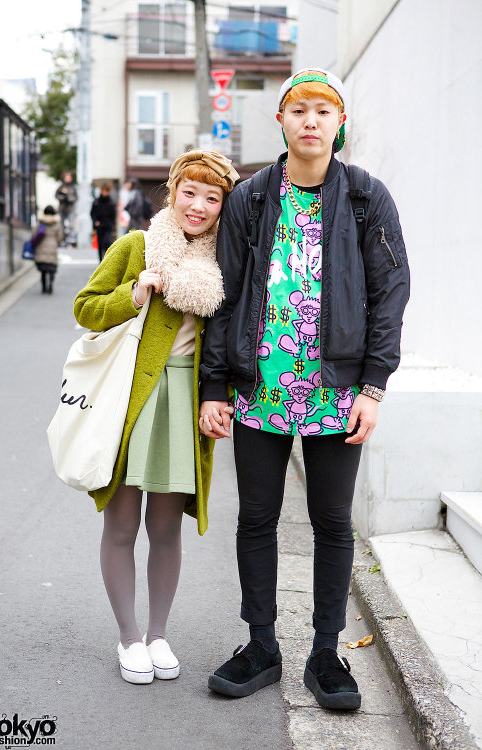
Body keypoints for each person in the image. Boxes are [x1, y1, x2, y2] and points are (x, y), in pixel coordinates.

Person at [199, 68, 410, 709]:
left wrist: (373, 385)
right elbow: (223, 291)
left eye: (324, 109)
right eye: (300, 109)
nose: (312, 120)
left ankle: (326, 654)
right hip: (258, 385)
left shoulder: (368, 198)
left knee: (332, 521)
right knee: (257, 518)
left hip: (336, 388)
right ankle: (261, 645)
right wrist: (214, 383)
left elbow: (390, 294)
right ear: (282, 121)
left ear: (339, 122)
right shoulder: (252, 198)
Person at [74, 150, 239, 685]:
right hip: (131, 399)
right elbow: (85, 306)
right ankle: (128, 638)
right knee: (121, 524)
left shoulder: (223, 261)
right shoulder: (137, 246)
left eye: (212, 197)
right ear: (172, 191)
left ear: (222, 206)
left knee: (165, 528)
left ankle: (158, 634)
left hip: (183, 401)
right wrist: (133, 292)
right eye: (189, 192)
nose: (199, 205)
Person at [34, 205, 63, 294]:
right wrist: (57, 243)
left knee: (43, 269)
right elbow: (60, 236)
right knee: (51, 268)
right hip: (52, 246)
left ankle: (44, 287)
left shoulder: (40, 222)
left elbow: (33, 233)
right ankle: (50, 283)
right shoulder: (57, 223)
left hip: (41, 246)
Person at [90, 182, 116, 262]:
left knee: (108, 242)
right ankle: (101, 261)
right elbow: (92, 213)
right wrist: (95, 222)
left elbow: (113, 215)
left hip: (108, 225)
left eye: (107, 191)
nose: (105, 193)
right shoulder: (97, 201)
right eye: (104, 191)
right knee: (100, 244)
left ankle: (107, 260)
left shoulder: (111, 202)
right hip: (99, 225)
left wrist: (112, 225)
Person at [55, 171, 78, 244]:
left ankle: (71, 239)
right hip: (62, 208)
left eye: (69, 177)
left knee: (71, 224)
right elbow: (56, 195)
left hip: (70, 208)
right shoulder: (61, 187)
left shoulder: (73, 187)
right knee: (61, 225)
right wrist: (62, 198)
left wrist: (69, 199)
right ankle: (62, 239)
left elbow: (76, 197)